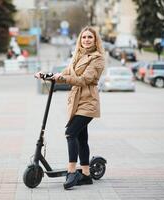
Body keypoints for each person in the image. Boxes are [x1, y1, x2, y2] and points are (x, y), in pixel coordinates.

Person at [35, 26, 105, 189]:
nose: (86, 40)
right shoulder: (77, 56)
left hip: (88, 102)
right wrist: (47, 75)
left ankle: (72, 171)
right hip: (76, 102)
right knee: (81, 138)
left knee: (70, 133)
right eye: (84, 37)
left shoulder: (98, 58)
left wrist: (65, 79)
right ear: (80, 40)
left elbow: (84, 80)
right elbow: (65, 72)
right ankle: (86, 175)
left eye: (90, 37)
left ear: (95, 40)